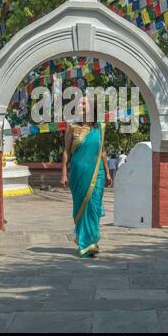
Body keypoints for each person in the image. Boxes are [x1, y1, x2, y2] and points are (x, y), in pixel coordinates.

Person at [60, 96, 112, 258]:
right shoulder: (72, 128)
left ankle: (92, 242)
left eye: (84, 103)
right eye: (78, 103)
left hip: (98, 173)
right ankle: (85, 243)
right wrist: (63, 173)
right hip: (78, 173)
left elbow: (102, 151)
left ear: (92, 107)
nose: (80, 105)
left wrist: (108, 171)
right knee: (82, 207)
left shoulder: (101, 128)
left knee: (94, 207)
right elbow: (66, 152)